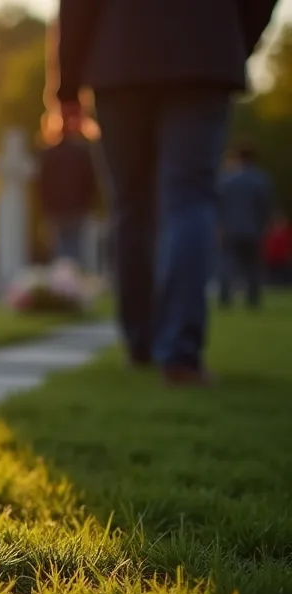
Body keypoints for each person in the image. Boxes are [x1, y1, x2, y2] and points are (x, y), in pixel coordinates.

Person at [54, 0, 277, 385]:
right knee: (189, 201)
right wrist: (236, 40)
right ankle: (180, 352)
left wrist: (67, 84)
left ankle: (140, 343)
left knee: (130, 208)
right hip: (204, 51)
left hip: (119, 55)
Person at [217, 144, 277, 309]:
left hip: (229, 229)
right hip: (253, 229)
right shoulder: (261, 179)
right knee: (253, 266)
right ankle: (253, 300)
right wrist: (266, 225)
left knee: (227, 264)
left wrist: (219, 226)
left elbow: (219, 205)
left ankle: (225, 298)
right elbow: (265, 205)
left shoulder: (227, 179)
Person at [37, 110, 99, 263]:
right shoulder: (82, 152)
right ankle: (69, 281)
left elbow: (42, 185)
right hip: (74, 209)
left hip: (61, 209)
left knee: (62, 250)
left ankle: (65, 281)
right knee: (74, 250)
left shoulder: (50, 153)